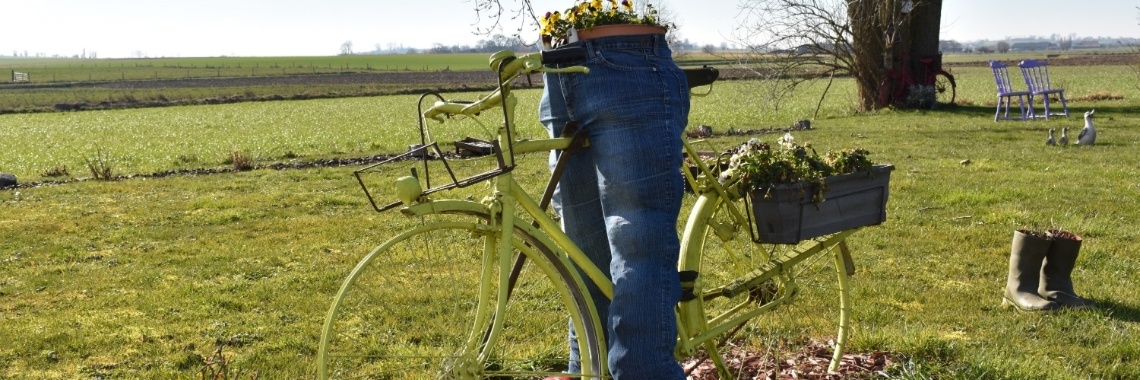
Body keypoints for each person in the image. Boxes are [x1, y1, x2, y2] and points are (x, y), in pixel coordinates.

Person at [539, 23, 690, 380]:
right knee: (582, 249)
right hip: (559, 63)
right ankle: (591, 369)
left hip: (627, 59)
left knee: (638, 237)